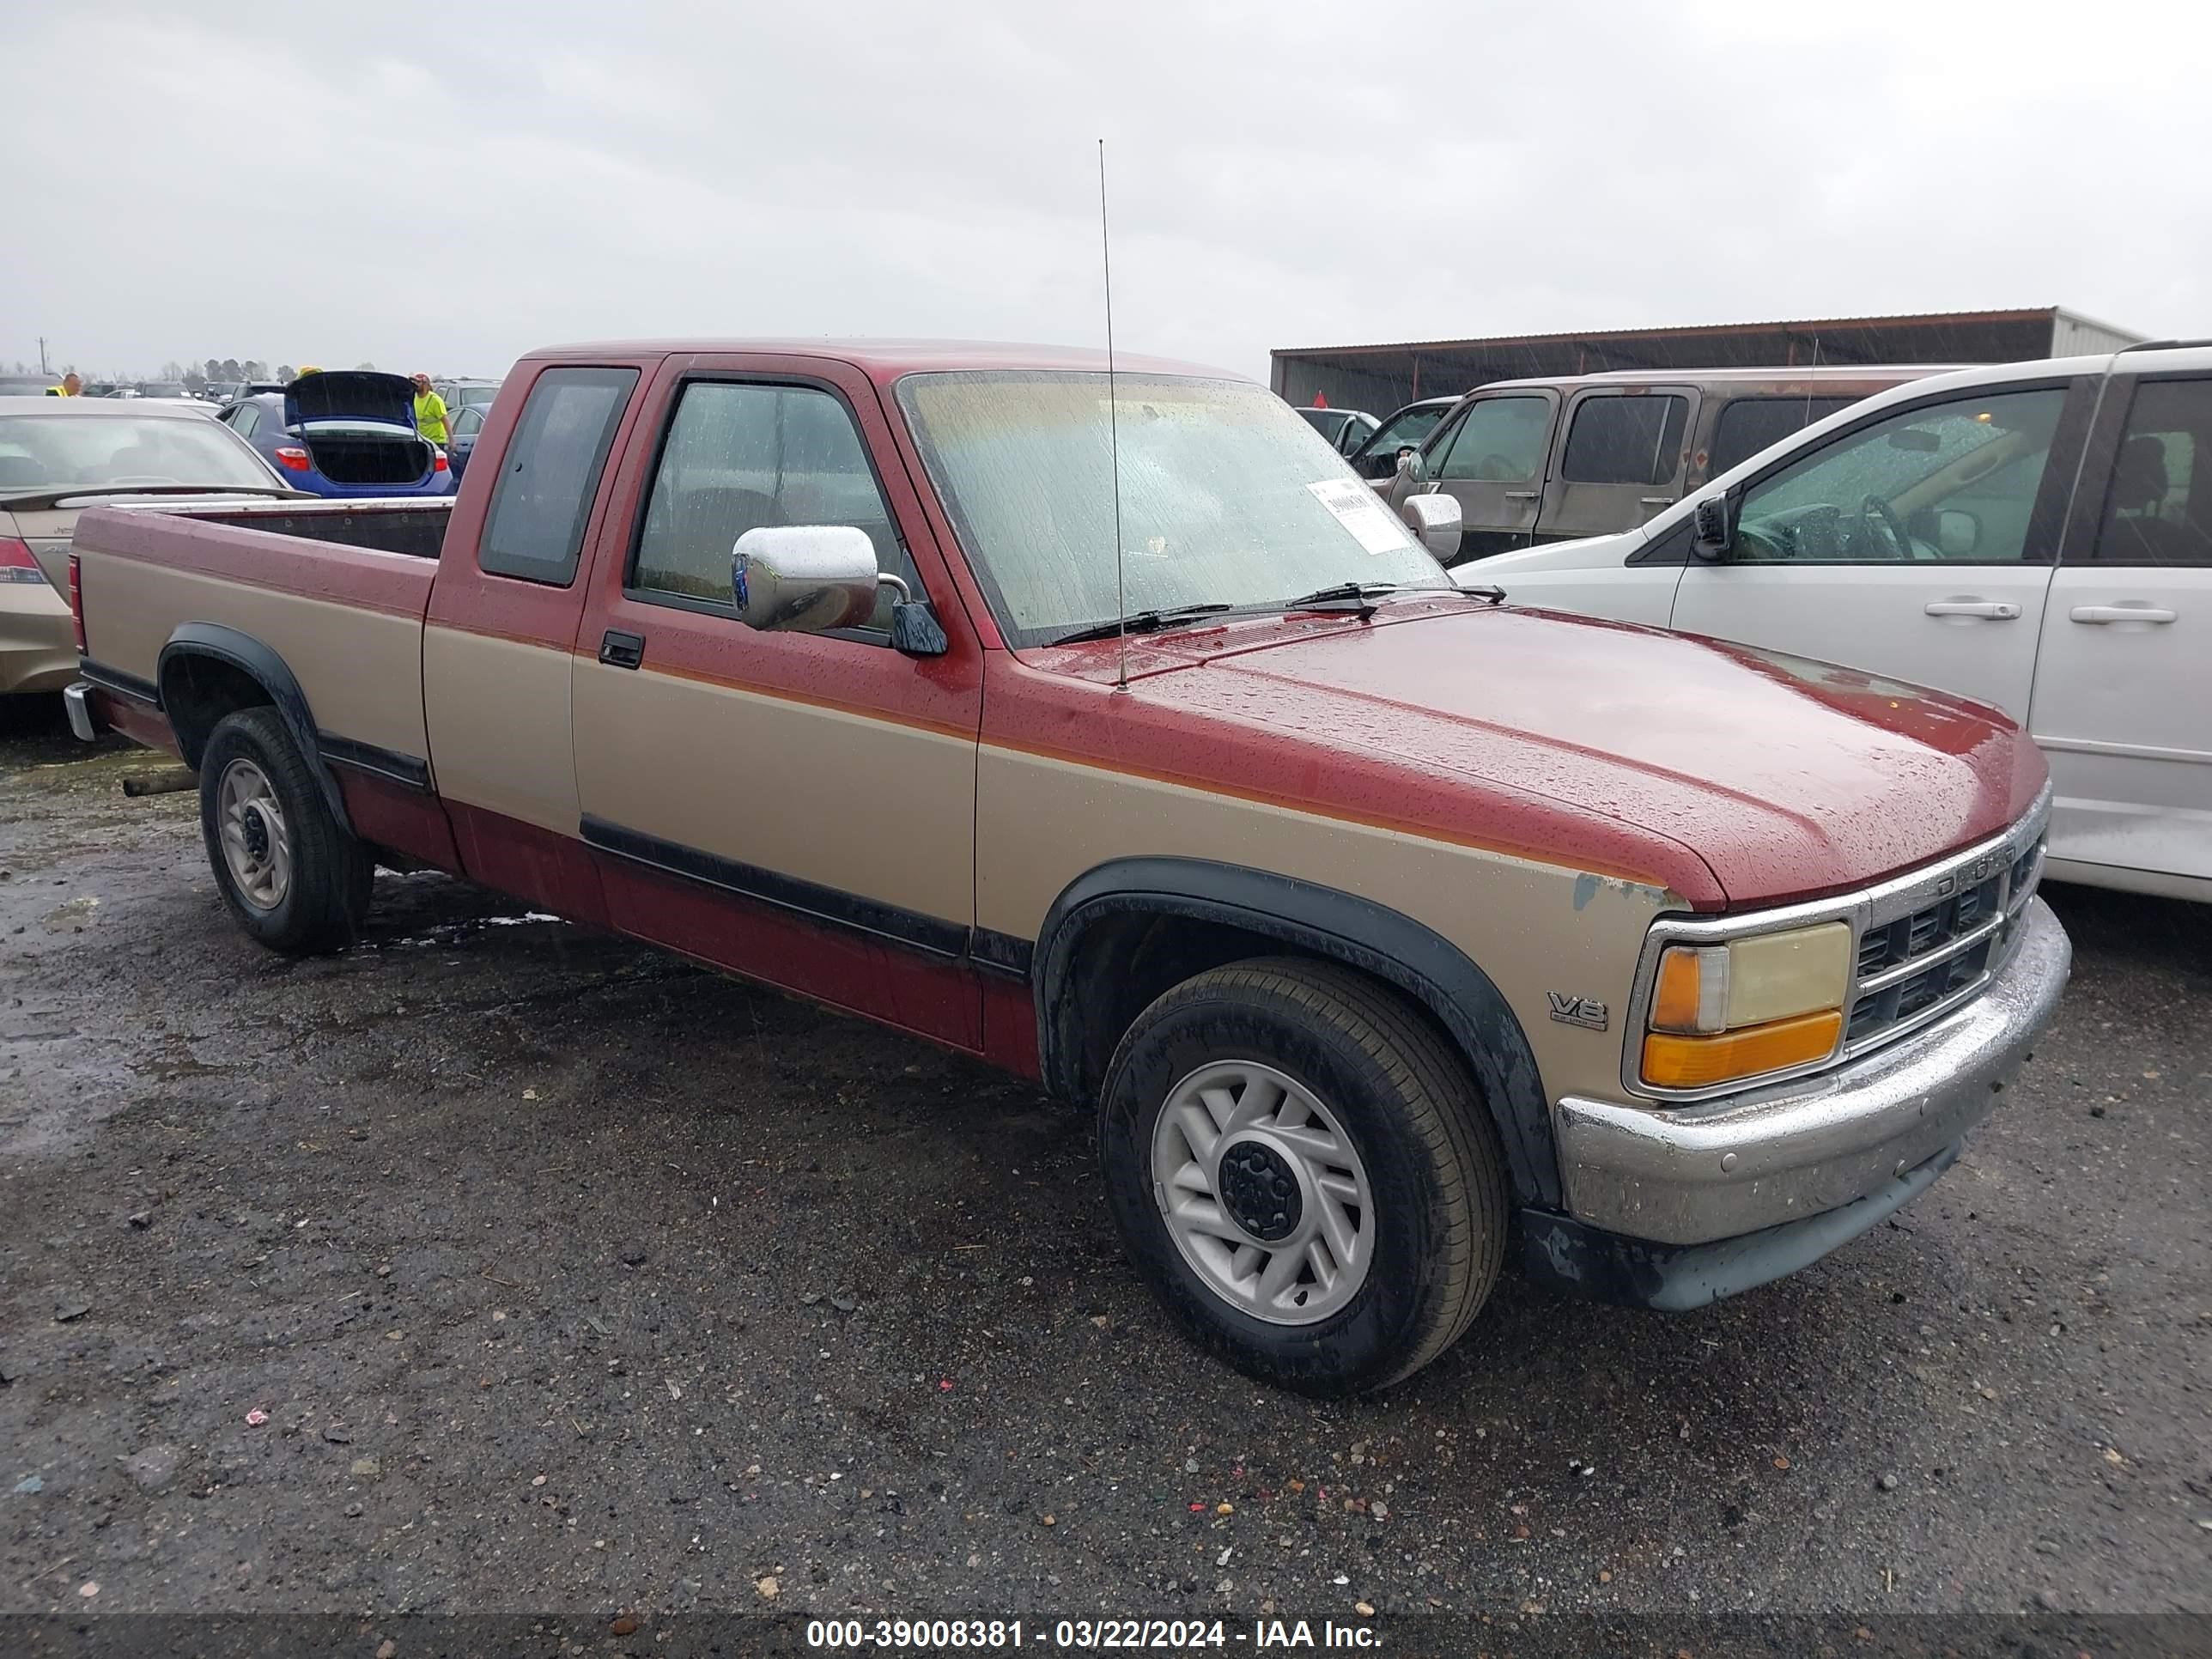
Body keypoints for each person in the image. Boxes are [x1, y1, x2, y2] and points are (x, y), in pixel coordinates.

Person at [410, 374, 449, 447]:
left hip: (437, 441)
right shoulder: (413, 398)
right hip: (423, 440)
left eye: (418, 382)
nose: (415, 385)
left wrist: (451, 440)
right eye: (414, 382)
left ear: (425, 384)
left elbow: (445, 420)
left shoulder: (435, 400)